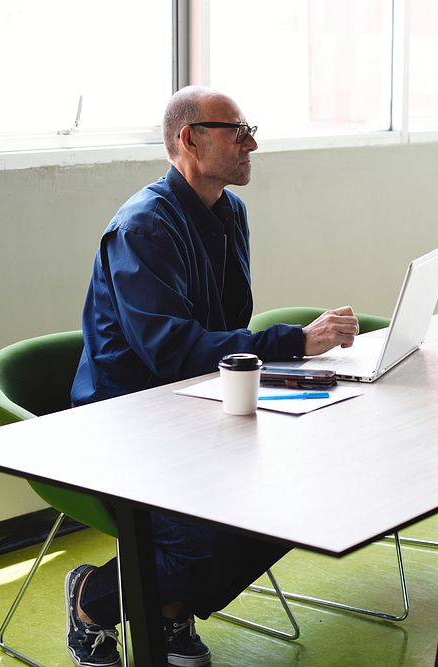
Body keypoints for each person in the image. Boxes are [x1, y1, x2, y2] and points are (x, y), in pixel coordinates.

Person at [65, 86, 360, 667]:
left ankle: (170, 611)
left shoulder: (229, 211)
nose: (251, 143)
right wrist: (295, 342)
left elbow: (227, 326)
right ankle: (91, 601)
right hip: (129, 419)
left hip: (194, 407)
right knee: (207, 542)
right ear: (188, 140)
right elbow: (172, 353)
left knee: (298, 501)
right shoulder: (142, 228)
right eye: (237, 132)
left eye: (251, 129)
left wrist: (284, 363)